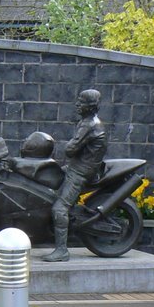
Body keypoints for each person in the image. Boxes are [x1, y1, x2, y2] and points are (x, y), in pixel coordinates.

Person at [41, 88, 107, 262]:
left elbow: (70, 149)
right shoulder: (87, 122)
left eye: (82, 102)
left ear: (91, 106)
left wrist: (67, 146)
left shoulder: (89, 125)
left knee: (59, 207)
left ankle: (62, 250)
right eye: (78, 100)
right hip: (76, 167)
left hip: (80, 171)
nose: (77, 104)